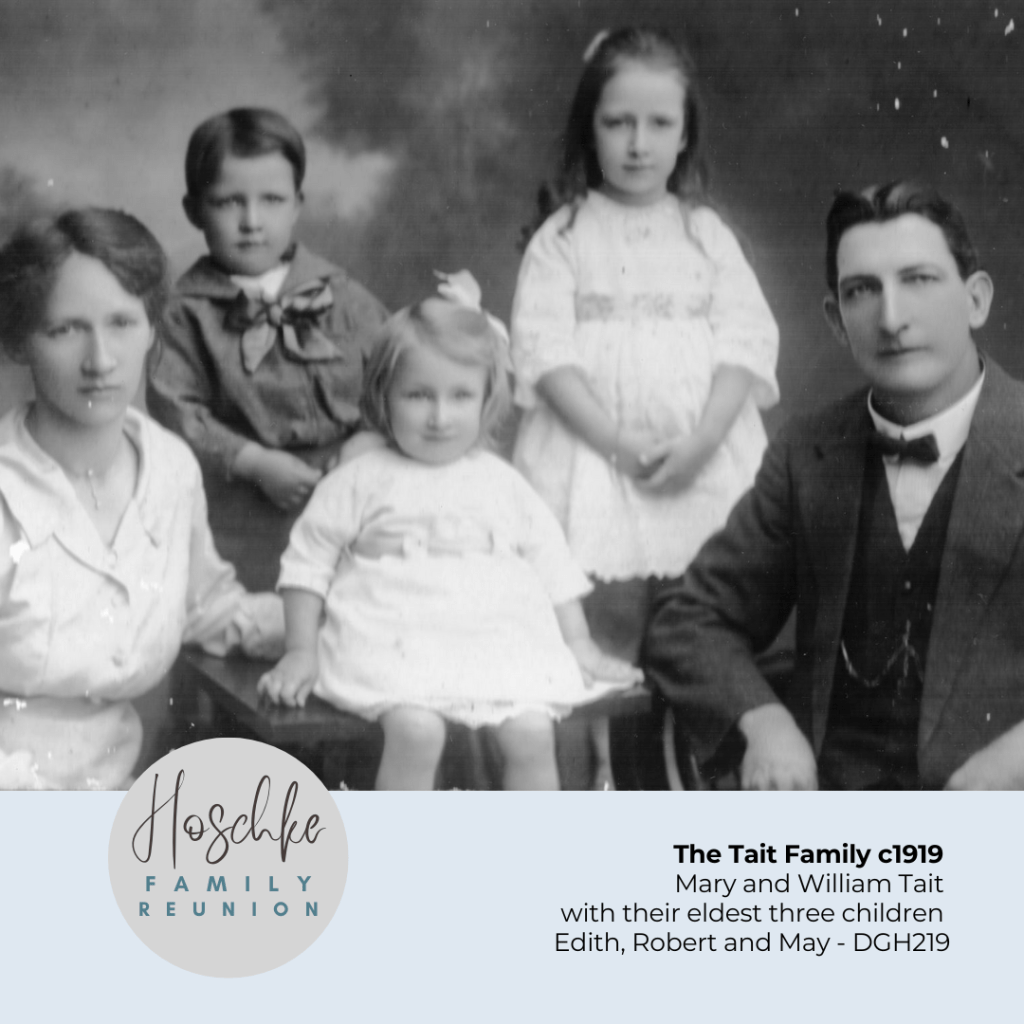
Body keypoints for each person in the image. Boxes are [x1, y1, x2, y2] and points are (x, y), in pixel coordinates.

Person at [644, 179, 1024, 790]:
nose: (892, 318)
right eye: (861, 290)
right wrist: (765, 722)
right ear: (836, 320)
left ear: (976, 300)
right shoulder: (810, 452)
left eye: (919, 280)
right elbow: (688, 621)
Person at [510, 27, 779, 788]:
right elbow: (544, 352)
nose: (638, 143)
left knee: (700, 629)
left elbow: (746, 341)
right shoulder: (564, 237)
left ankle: (691, 784)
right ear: (588, 128)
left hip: (702, 465)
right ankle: (603, 779)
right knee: (604, 631)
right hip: (593, 463)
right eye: (618, 122)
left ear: (685, 132)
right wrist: (617, 444)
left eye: (660, 123)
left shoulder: (706, 234)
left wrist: (703, 441)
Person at [257, 273, 641, 790]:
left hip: (493, 641)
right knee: (417, 731)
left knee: (531, 732)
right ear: (384, 396)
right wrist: (301, 650)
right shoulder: (360, 478)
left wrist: (579, 642)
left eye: (461, 396)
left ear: (486, 399)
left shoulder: (501, 480)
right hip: (392, 639)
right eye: (418, 395)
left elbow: (552, 563)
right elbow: (307, 563)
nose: (440, 417)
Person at [0, 208, 283, 790]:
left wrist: (331, 622)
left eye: (123, 323)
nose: (100, 361)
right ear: (20, 342)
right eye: (65, 329)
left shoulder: (169, 468)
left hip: (113, 790)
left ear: (154, 328)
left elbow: (205, 607)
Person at [147, 107, 388, 591]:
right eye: (228, 202)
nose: (252, 222)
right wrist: (252, 462)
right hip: (249, 505)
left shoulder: (340, 294)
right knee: (268, 608)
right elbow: (176, 409)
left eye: (272, 200)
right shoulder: (185, 313)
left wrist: (366, 441)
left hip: (354, 487)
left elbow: (395, 373)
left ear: (297, 205)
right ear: (194, 210)